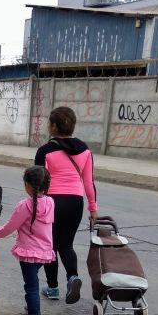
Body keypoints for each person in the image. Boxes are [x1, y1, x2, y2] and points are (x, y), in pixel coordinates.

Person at [35, 106, 98, 304]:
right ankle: (73, 277)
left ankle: (53, 288)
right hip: (75, 202)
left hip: (53, 200)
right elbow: (88, 182)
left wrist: (35, 206)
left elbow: (38, 181)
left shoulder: (45, 151)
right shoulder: (85, 150)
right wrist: (93, 208)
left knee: (50, 246)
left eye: (49, 123)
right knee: (66, 244)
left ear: (54, 127)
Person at [0, 166, 55, 315]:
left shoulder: (25, 205)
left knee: (31, 286)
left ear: (28, 185)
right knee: (33, 284)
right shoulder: (50, 202)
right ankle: (31, 306)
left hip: (28, 253)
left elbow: (9, 227)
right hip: (45, 252)